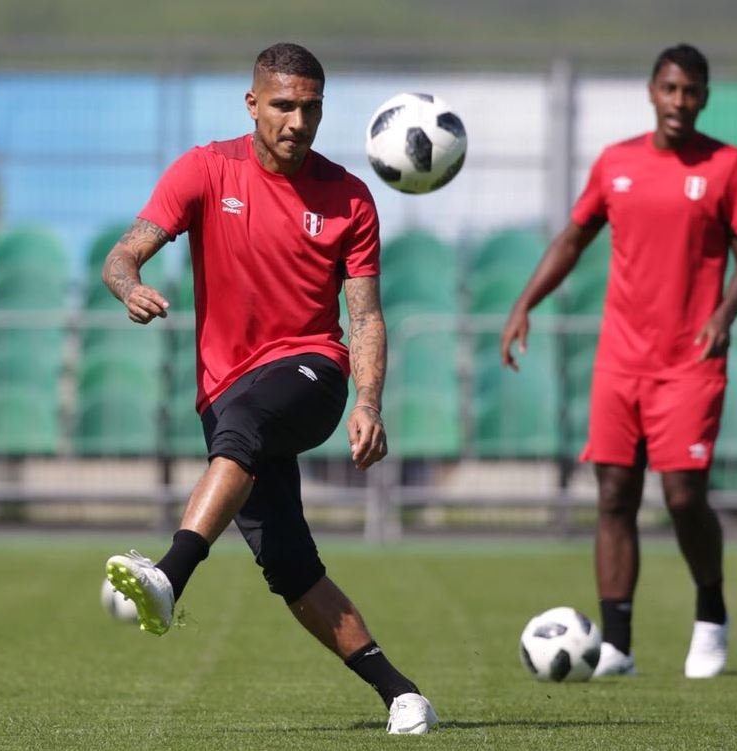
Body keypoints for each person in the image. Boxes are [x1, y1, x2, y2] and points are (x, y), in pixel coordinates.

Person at [101, 42, 438, 734]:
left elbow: (365, 316)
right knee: (289, 565)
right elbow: (124, 252)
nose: (298, 120)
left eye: (311, 107)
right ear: (253, 103)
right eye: (283, 104)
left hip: (311, 371)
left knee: (247, 423)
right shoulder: (203, 168)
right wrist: (130, 286)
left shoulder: (350, 198)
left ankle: (169, 574)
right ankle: (401, 691)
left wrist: (369, 401)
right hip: (226, 392)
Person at [500, 43, 737, 679]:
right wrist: (524, 303)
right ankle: (615, 644)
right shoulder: (616, 163)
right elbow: (572, 239)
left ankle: (710, 613)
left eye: (692, 91)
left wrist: (723, 316)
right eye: (670, 89)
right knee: (614, 494)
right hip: (621, 359)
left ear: (704, 97)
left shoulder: (729, 166)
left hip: (690, 360)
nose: (680, 102)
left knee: (681, 496)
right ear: (652, 91)